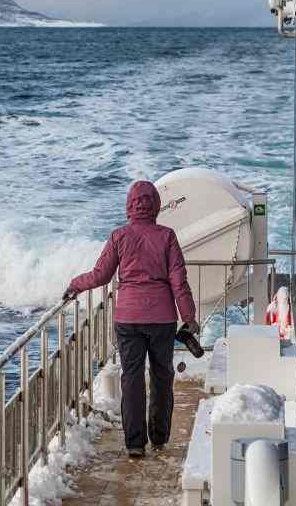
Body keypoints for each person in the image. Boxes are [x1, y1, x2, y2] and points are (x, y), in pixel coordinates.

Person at [63, 180, 199, 458]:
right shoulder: (167, 236)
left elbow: (100, 275)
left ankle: (135, 444)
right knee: (162, 377)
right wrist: (189, 317)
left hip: (128, 318)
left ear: (129, 205)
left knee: (132, 379)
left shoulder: (119, 236)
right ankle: (159, 438)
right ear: (157, 206)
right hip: (162, 318)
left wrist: (75, 284)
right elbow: (178, 281)